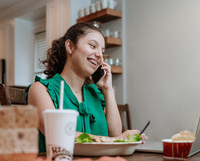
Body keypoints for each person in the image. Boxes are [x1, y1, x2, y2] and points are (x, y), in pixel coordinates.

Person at [26, 22, 144, 152]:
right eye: (93, 46)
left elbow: (115, 133)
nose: (99, 55)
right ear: (70, 47)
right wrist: (118, 140)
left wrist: (108, 90)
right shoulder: (40, 90)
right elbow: (56, 133)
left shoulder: (96, 94)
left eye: (102, 51)